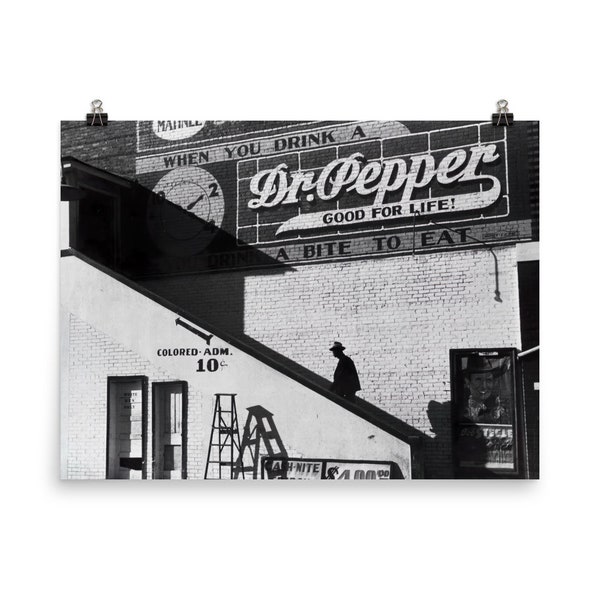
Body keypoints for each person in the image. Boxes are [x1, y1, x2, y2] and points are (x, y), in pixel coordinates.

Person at [462, 355, 510, 424]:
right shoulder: (462, 408)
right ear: (468, 382)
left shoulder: (499, 407)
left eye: (488, 380)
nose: (484, 386)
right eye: (478, 379)